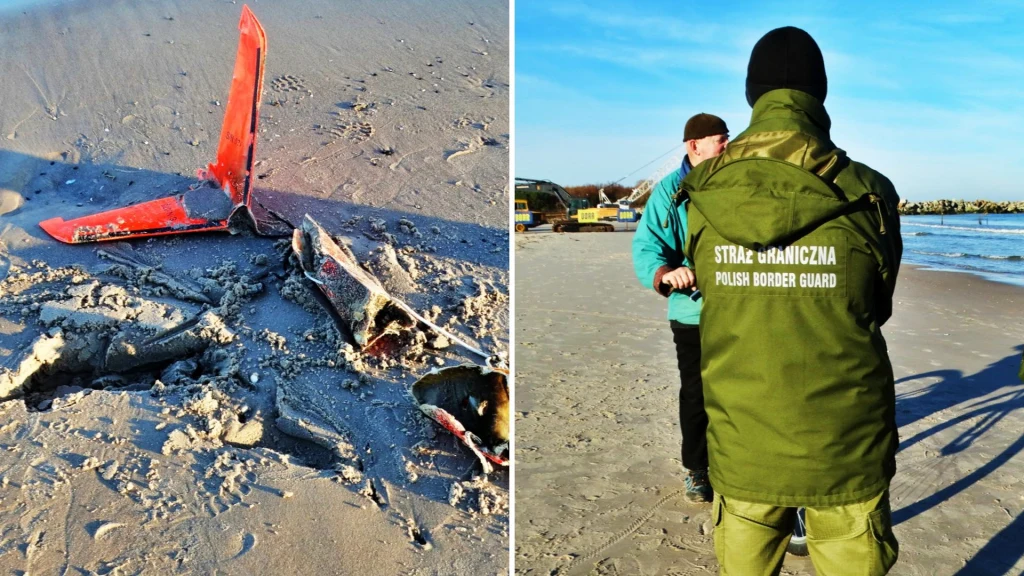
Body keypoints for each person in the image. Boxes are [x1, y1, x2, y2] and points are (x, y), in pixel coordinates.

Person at [681, 27, 903, 575]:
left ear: (753, 95)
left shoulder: (704, 193)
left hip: (743, 437)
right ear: (819, 94)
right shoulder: (868, 192)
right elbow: (878, 304)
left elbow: (709, 289)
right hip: (844, 442)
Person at [631, 113, 729, 503]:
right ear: (694, 146)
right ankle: (697, 470)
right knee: (697, 394)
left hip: (743, 310)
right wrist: (666, 273)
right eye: (721, 139)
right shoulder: (670, 191)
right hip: (692, 312)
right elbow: (647, 245)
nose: (728, 145)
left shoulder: (739, 180)